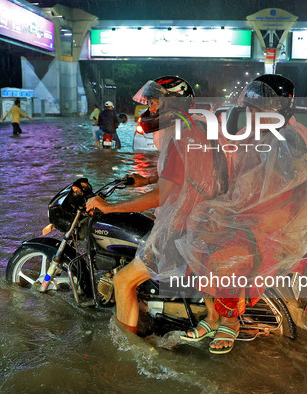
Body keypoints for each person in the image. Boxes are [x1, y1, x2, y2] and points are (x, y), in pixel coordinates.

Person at [179, 75, 307, 354]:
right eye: (250, 110)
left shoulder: (291, 139)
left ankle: (231, 321)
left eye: (256, 111)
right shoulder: (261, 136)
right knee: (198, 229)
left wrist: (250, 219)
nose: (251, 115)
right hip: (251, 215)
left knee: (226, 255)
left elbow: (295, 195)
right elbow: (244, 183)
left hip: (277, 224)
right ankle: (212, 316)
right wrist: (222, 211)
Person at [86, 76, 210, 335]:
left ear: (171, 104)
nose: (150, 109)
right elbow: (188, 175)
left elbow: (160, 197)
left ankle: (127, 348)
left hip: (179, 227)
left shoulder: (178, 138)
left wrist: (109, 208)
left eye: (155, 102)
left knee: (122, 281)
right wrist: (150, 179)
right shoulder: (194, 129)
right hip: (199, 220)